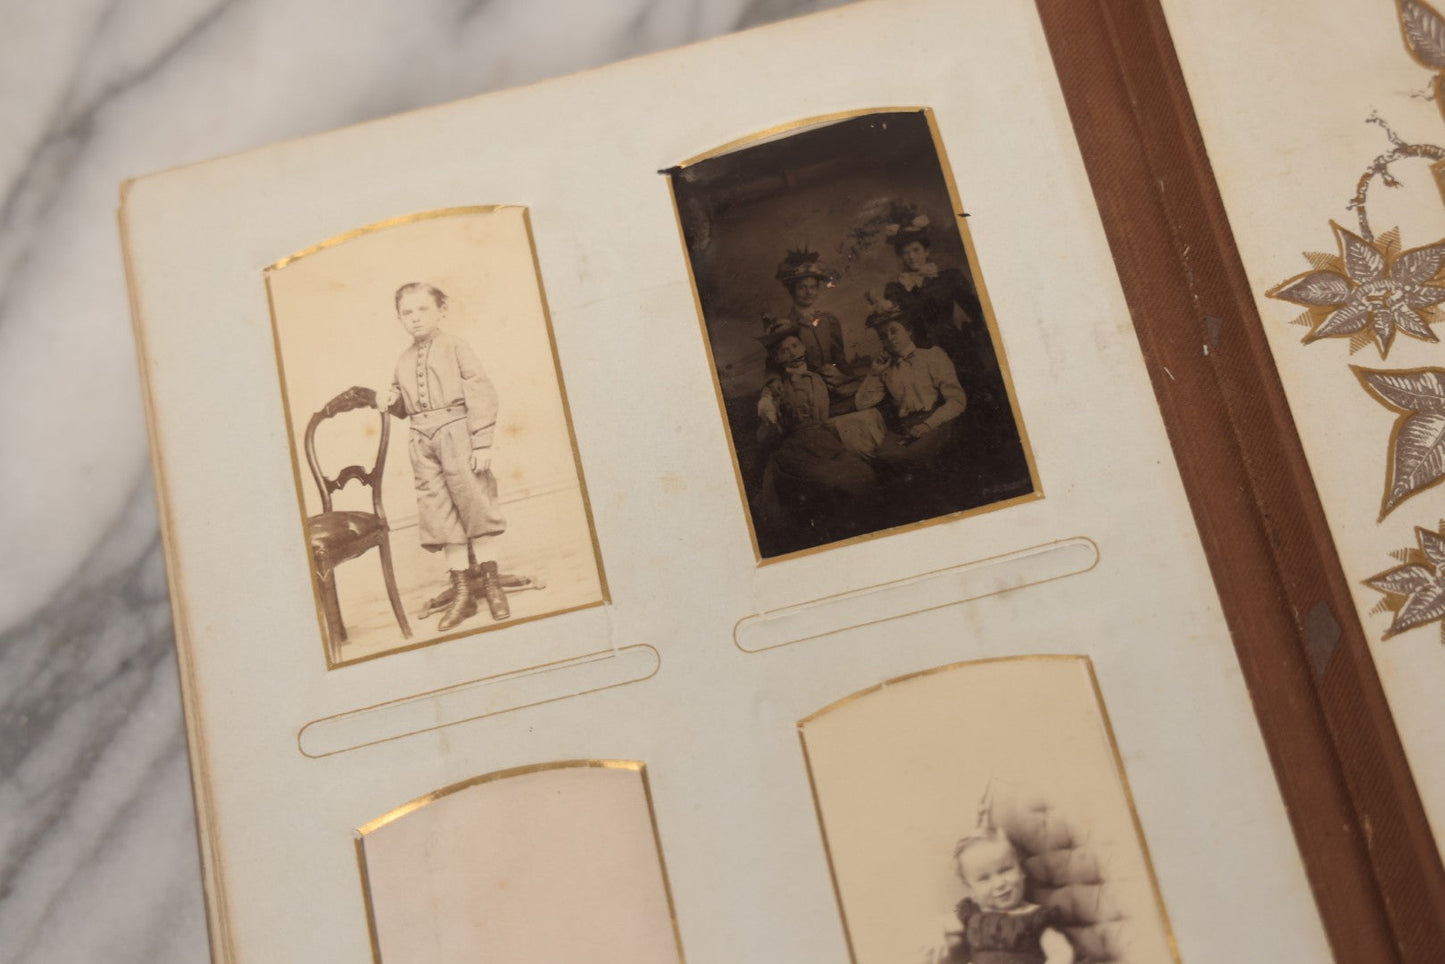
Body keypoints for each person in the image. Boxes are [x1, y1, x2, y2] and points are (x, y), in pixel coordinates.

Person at [377, 282, 509, 629]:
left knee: (474, 504)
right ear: (399, 318)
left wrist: (482, 442)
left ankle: (491, 583)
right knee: (439, 512)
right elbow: (405, 405)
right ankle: (463, 592)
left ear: (441, 311)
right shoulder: (403, 360)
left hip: (458, 435)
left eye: (423, 309)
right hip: (421, 442)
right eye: (407, 312)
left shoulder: (456, 346)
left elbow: (481, 390)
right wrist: (392, 401)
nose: (415, 318)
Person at [755, 325, 882, 496]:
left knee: (864, 473)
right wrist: (769, 411)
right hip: (797, 448)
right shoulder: (776, 387)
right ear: (777, 358)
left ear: (803, 347)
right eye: (784, 351)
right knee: (832, 483)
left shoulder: (817, 378)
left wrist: (873, 375)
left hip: (826, 441)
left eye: (795, 346)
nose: (792, 353)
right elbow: (767, 429)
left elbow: (848, 396)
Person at [934, 829, 1077, 964]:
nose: (999, 884)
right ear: (971, 890)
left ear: (1021, 871)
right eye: (984, 878)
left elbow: (1061, 952)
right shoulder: (973, 914)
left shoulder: (1036, 919)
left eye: (1005, 870)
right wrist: (935, 935)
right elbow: (941, 923)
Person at [855, 300, 966, 467]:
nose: (890, 338)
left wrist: (928, 425)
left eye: (894, 331)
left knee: (910, 460)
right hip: (906, 429)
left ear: (908, 330)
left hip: (937, 422)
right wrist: (874, 373)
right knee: (882, 460)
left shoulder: (932, 356)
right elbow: (861, 404)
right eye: (883, 336)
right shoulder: (886, 369)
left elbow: (957, 401)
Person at [767, 248, 856, 406]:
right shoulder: (785, 326)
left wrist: (844, 377)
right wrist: (774, 381)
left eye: (813, 287)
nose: (809, 292)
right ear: (792, 290)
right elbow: (773, 365)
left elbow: (840, 358)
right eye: (802, 287)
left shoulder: (828, 321)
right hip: (805, 395)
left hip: (834, 388)